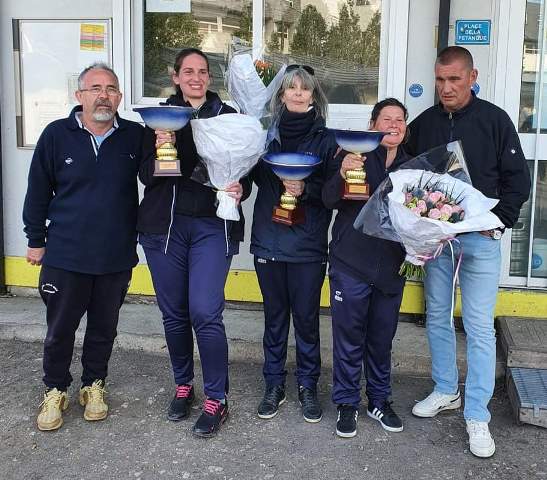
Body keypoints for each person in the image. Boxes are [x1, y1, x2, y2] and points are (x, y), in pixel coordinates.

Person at [407, 46, 531, 458]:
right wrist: (418, 224)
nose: (445, 88)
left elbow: (518, 179)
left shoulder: (495, 120)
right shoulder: (422, 124)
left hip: (480, 240)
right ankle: (446, 389)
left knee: (478, 327)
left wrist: (500, 222)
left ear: (472, 76)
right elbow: (408, 181)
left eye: (454, 80)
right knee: (436, 317)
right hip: (438, 240)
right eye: (440, 80)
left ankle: (477, 413)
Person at [22, 63, 143, 431]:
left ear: (120, 96)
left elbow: (160, 178)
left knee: (104, 328)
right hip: (65, 254)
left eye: (111, 88)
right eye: (95, 88)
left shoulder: (135, 137)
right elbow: (38, 189)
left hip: (114, 255)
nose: (103, 95)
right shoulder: (57, 135)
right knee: (60, 329)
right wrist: (34, 240)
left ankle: (94, 384)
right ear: (80, 96)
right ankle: (55, 389)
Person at [138, 48, 248, 438]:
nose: (196, 78)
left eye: (202, 71)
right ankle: (184, 385)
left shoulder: (229, 117)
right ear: (176, 76)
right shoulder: (157, 118)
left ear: (209, 78)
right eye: (188, 71)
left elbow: (245, 172)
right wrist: (160, 144)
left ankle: (217, 397)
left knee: (205, 311)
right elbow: (146, 176)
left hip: (211, 227)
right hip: (163, 228)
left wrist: (239, 186)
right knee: (174, 313)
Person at [250, 65, 338, 423]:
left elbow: (335, 192)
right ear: (282, 94)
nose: (298, 93)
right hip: (269, 242)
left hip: (308, 245)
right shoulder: (264, 134)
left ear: (313, 95)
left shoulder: (327, 139)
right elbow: (250, 174)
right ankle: (273, 385)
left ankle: (307, 385)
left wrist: (307, 189)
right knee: (274, 320)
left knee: (306, 320)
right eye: (292, 88)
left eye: (305, 89)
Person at [322, 98, 409, 438]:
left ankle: (378, 400)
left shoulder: (412, 166)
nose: (393, 124)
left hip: (391, 268)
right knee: (348, 338)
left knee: (381, 339)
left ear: (405, 126)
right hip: (350, 263)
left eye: (399, 119)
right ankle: (346, 402)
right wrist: (343, 172)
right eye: (386, 118)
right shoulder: (352, 155)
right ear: (372, 125)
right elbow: (328, 200)